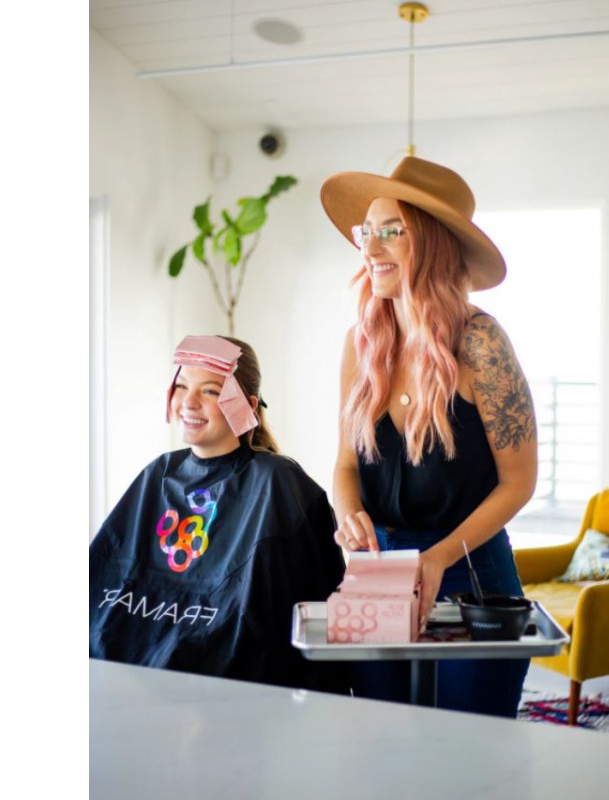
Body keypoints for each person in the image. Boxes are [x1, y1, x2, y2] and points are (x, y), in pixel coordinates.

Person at [320, 156, 538, 717]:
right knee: (384, 737)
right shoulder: (360, 345)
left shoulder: (481, 342)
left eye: (392, 231)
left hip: (472, 574)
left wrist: (437, 558)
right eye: (366, 231)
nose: (370, 248)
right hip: (379, 573)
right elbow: (346, 465)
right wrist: (348, 515)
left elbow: (518, 483)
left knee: (474, 747)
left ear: (435, 244)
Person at [89, 335, 346, 693]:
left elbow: (301, 616)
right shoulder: (158, 474)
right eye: (181, 385)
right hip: (123, 685)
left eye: (210, 391)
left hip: (227, 696)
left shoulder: (276, 484)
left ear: (248, 406)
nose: (189, 402)